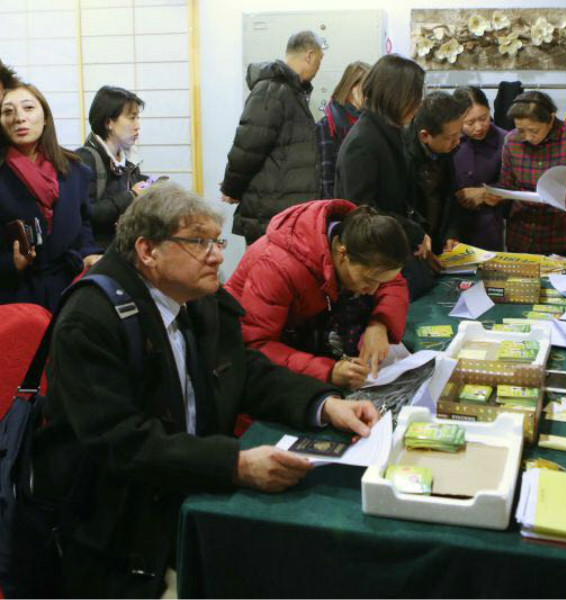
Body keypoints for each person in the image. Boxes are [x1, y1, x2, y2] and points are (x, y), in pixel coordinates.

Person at [32, 183, 379, 597]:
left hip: (186, 492)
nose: (218, 254)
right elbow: (120, 442)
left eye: (216, 240)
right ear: (147, 251)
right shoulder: (91, 319)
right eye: (199, 242)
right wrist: (234, 463)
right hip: (119, 532)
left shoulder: (196, 294)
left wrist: (324, 404)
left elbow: (243, 371)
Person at [226, 200, 410, 390]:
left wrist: (379, 324)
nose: (372, 290)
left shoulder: (363, 241)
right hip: (248, 354)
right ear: (342, 255)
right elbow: (256, 344)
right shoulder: (277, 266)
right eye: (369, 280)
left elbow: (394, 282)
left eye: (380, 282)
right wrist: (328, 371)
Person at [334, 54, 433, 298]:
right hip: (372, 259)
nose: (418, 104)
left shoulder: (389, 131)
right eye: (415, 96)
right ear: (397, 95)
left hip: (389, 249)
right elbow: (361, 211)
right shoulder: (364, 141)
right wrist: (413, 231)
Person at [0, 83, 101, 312]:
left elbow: (83, 228)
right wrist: (10, 264)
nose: (19, 118)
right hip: (16, 297)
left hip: (69, 292)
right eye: (8, 111)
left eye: (28, 108)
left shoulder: (75, 170)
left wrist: (89, 255)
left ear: (45, 117)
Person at [221, 31, 324, 243]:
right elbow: (248, 146)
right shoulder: (272, 90)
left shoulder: (289, 91)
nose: (318, 69)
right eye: (319, 61)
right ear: (310, 55)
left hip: (279, 213)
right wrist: (232, 188)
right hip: (270, 215)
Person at [490, 91, 566, 256]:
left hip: (564, 235)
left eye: (534, 130)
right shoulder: (512, 140)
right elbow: (506, 184)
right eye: (521, 130)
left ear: (551, 119)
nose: (527, 137)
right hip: (522, 235)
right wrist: (496, 194)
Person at [76, 86, 150, 250]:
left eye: (138, 118)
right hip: (98, 256)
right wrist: (132, 195)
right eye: (132, 118)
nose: (137, 125)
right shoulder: (84, 160)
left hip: (125, 249)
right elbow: (85, 214)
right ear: (109, 122)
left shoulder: (126, 157)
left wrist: (151, 184)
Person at [404, 91, 468, 266]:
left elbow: (450, 195)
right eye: (450, 138)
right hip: (414, 249)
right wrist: (419, 239)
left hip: (440, 247)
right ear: (425, 136)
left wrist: (451, 234)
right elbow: (402, 208)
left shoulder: (446, 150)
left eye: (458, 134)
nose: (457, 142)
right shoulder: (401, 154)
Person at [452, 86, 508, 251]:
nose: (479, 127)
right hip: (451, 227)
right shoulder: (448, 139)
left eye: (484, 118)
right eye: (469, 122)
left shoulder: (505, 140)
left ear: (489, 110)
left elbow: (513, 183)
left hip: (488, 228)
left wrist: (488, 192)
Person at [316, 60, 370, 199]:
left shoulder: (370, 121)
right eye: (365, 88)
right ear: (350, 87)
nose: (368, 95)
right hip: (340, 205)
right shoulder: (327, 126)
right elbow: (326, 178)